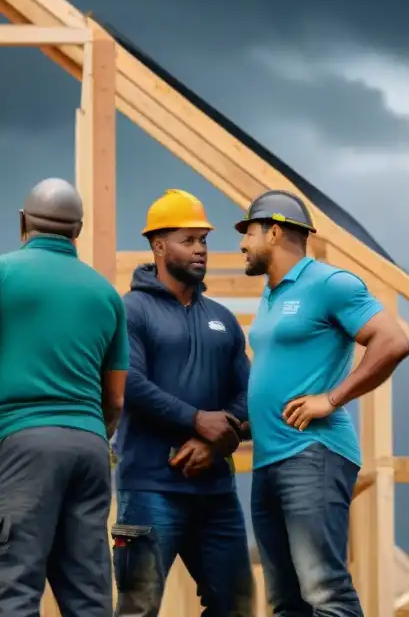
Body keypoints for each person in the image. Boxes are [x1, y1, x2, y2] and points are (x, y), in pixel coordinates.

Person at [0, 177, 129, 617]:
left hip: (19, 445)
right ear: (77, 232)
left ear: (22, 221)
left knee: (11, 593)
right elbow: (117, 399)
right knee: (88, 596)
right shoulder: (106, 293)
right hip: (89, 449)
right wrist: (90, 432)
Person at [237, 190, 409, 617]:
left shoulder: (330, 283)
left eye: (249, 232)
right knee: (286, 603)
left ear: (275, 231)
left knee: (326, 595)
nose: (242, 244)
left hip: (312, 456)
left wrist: (331, 399)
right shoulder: (270, 297)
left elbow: (393, 341)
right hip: (269, 462)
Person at [112, 189, 254, 617]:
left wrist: (217, 438)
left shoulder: (223, 319)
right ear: (158, 245)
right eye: (188, 240)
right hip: (149, 489)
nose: (200, 250)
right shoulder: (131, 310)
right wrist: (196, 418)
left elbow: (250, 394)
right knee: (139, 608)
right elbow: (129, 383)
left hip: (215, 491)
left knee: (237, 606)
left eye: (204, 240)